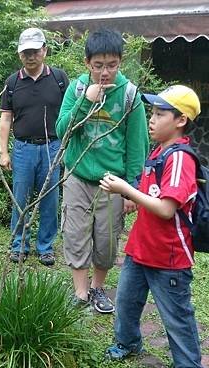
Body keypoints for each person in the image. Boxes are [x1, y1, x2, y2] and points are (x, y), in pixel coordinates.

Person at [99, 84, 207, 368]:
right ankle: (128, 343)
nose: (152, 118)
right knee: (127, 302)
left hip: (169, 257)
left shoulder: (179, 159)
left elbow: (166, 209)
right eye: (153, 112)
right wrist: (135, 201)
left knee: (176, 316)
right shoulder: (158, 152)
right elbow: (153, 198)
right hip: (140, 249)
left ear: (181, 120)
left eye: (160, 114)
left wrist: (127, 191)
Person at [55, 28, 149, 313]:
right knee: (75, 233)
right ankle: (81, 293)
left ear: (120, 62)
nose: (105, 72)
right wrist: (86, 101)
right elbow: (62, 131)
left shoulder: (130, 95)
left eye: (111, 65)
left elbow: (137, 146)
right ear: (87, 63)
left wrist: (133, 188)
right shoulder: (77, 89)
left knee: (107, 239)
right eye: (98, 66)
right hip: (77, 175)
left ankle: (97, 288)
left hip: (113, 181)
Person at [0, 27, 69, 266]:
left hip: (52, 147)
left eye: (35, 51)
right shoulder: (12, 82)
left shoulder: (59, 79)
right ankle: (19, 246)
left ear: (44, 51)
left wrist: (67, 147)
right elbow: (6, 118)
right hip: (23, 149)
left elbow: (69, 114)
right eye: (25, 52)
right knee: (20, 199)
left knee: (49, 199)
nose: (30, 56)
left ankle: (46, 247)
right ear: (20, 54)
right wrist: (3, 151)